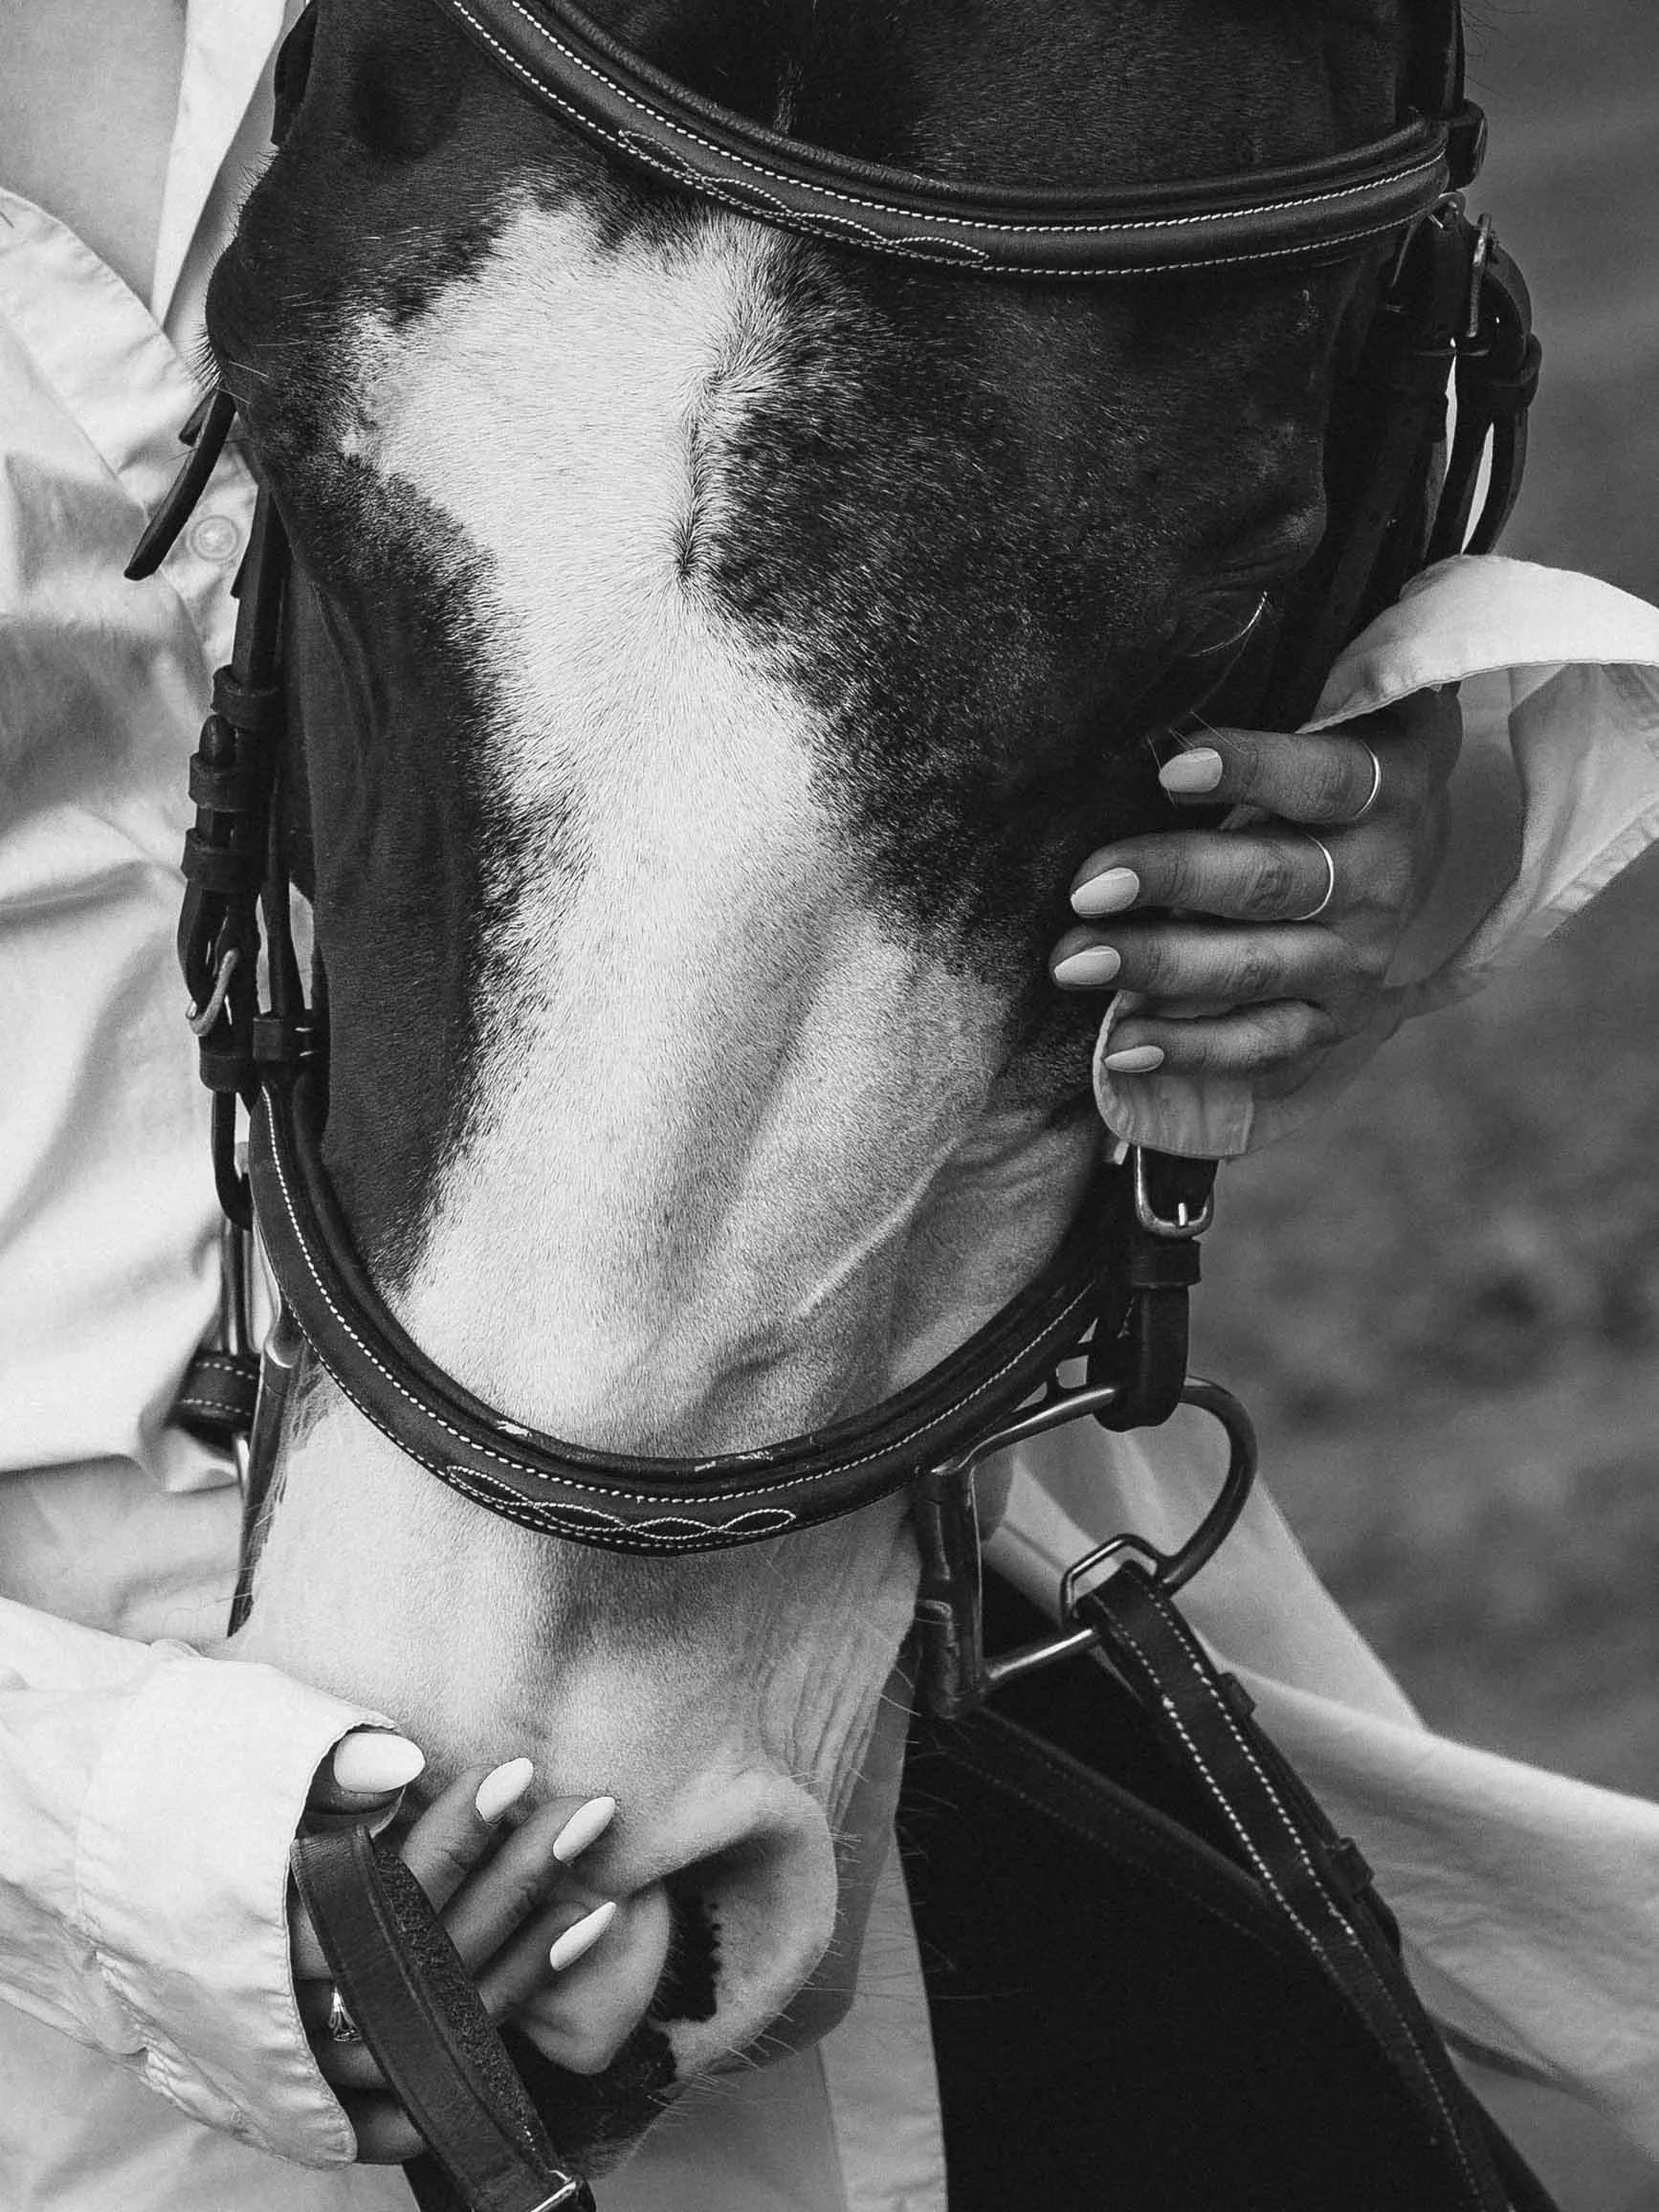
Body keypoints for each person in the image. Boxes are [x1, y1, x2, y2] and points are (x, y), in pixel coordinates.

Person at [7, 2, 1659, 2206]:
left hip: (960, 1665)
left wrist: (1359, 843)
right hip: (137, 1997)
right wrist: (140, 1845)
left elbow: (984, 549)